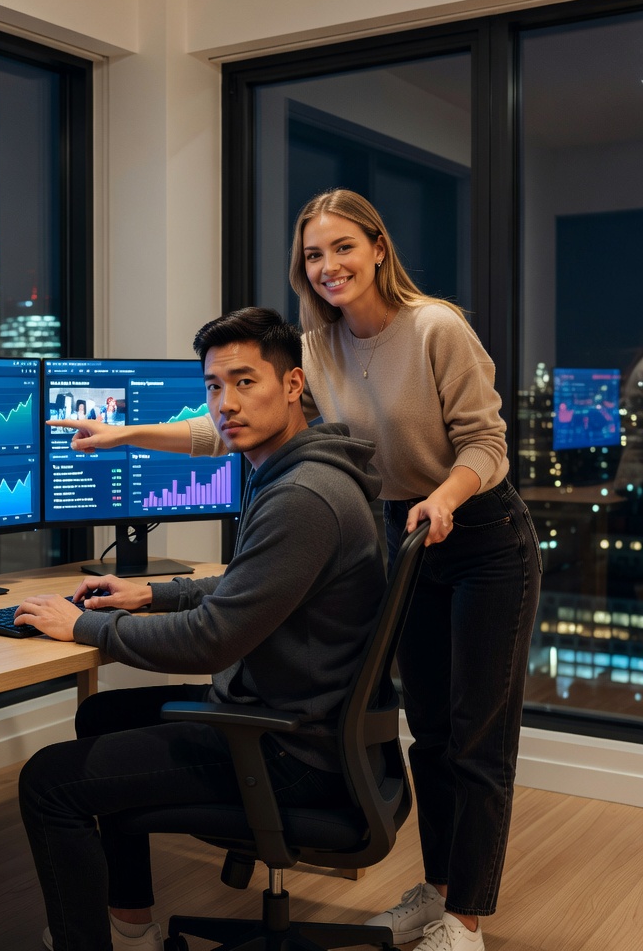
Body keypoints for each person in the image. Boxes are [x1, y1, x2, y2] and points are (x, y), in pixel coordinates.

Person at [52, 190, 541, 951]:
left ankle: (465, 922)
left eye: (342, 247)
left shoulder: (435, 327)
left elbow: (487, 445)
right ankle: (437, 890)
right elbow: (226, 426)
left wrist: (444, 497)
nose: (328, 266)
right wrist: (124, 434)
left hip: (477, 532)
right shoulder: (317, 345)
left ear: (378, 248)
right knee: (431, 735)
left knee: (477, 739)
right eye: (314, 254)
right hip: (406, 524)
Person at [17, 306, 386, 951]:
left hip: (291, 751)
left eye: (246, 382)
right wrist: (153, 592)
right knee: (104, 717)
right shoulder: (306, 470)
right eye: (215, 387)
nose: (227, 403)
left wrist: (84, 629)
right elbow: (255, 586)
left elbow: (212, 639)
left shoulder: (302, 495)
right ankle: (131, 925)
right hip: (308, 722)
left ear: (294, 385)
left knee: (48, 780)